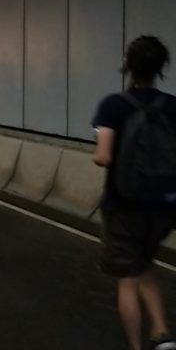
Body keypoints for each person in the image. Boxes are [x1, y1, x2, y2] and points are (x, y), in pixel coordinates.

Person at [92, 36, 176, 350]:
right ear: (161, 68)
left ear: (127, 65)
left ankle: (136, 347)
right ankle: (162, 335)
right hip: (165, 207)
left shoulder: (113, 105)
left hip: (124, 205)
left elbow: (103, 156)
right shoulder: (173, 105)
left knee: (127, 278)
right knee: (145, 264)